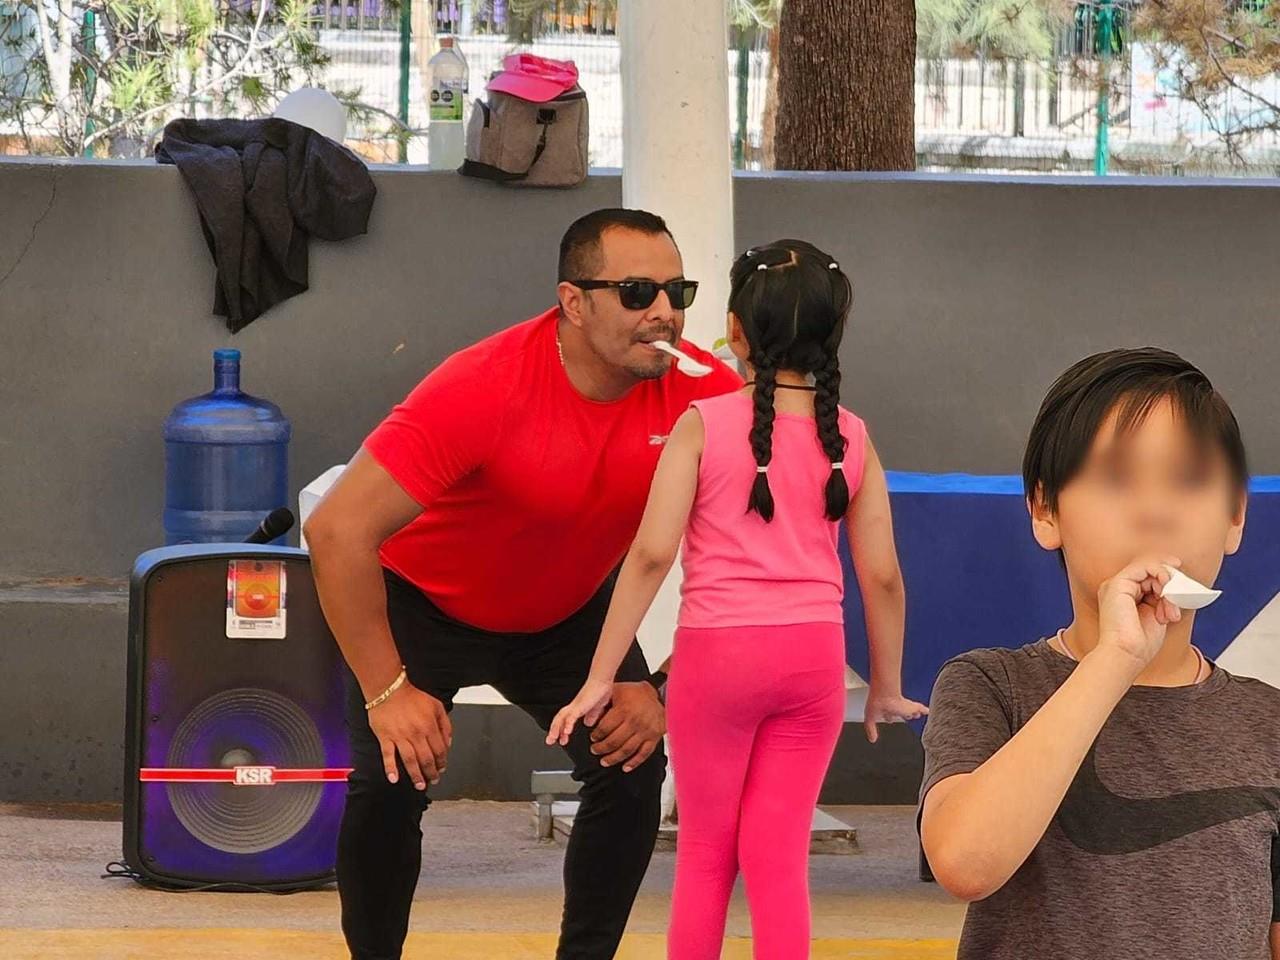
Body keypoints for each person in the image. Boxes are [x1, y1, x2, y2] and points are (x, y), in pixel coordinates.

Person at [303, 207, 743, 960]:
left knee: (631, 768)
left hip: (568, 610)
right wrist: (387, 693)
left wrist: (660, 683)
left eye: (679, 290)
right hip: (425, 602)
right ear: (574, 302)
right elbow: (337, 531)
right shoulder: (486, 385)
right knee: (389, 782)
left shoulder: (706, 395)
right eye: (638, 292)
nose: (665, 312)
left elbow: (763, 551)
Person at [548, 239, 928, 959]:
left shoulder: (700, 426)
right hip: (812, 660)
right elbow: (882, 576)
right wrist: (884, 686)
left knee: (705, 857)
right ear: (833, 333)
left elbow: (652, 555)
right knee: (778, 858)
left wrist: (602, 676)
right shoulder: (851, 437)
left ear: (736, 331)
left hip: (715, 661)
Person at [918, 348, 1280, 959]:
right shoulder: (991, 685)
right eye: (1116, 479)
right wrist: (1115, 658)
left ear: (1235, 516)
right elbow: (964, 862)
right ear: (1045, 509)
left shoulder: (1267, 725)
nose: (1156, 511)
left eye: (1191, 480)